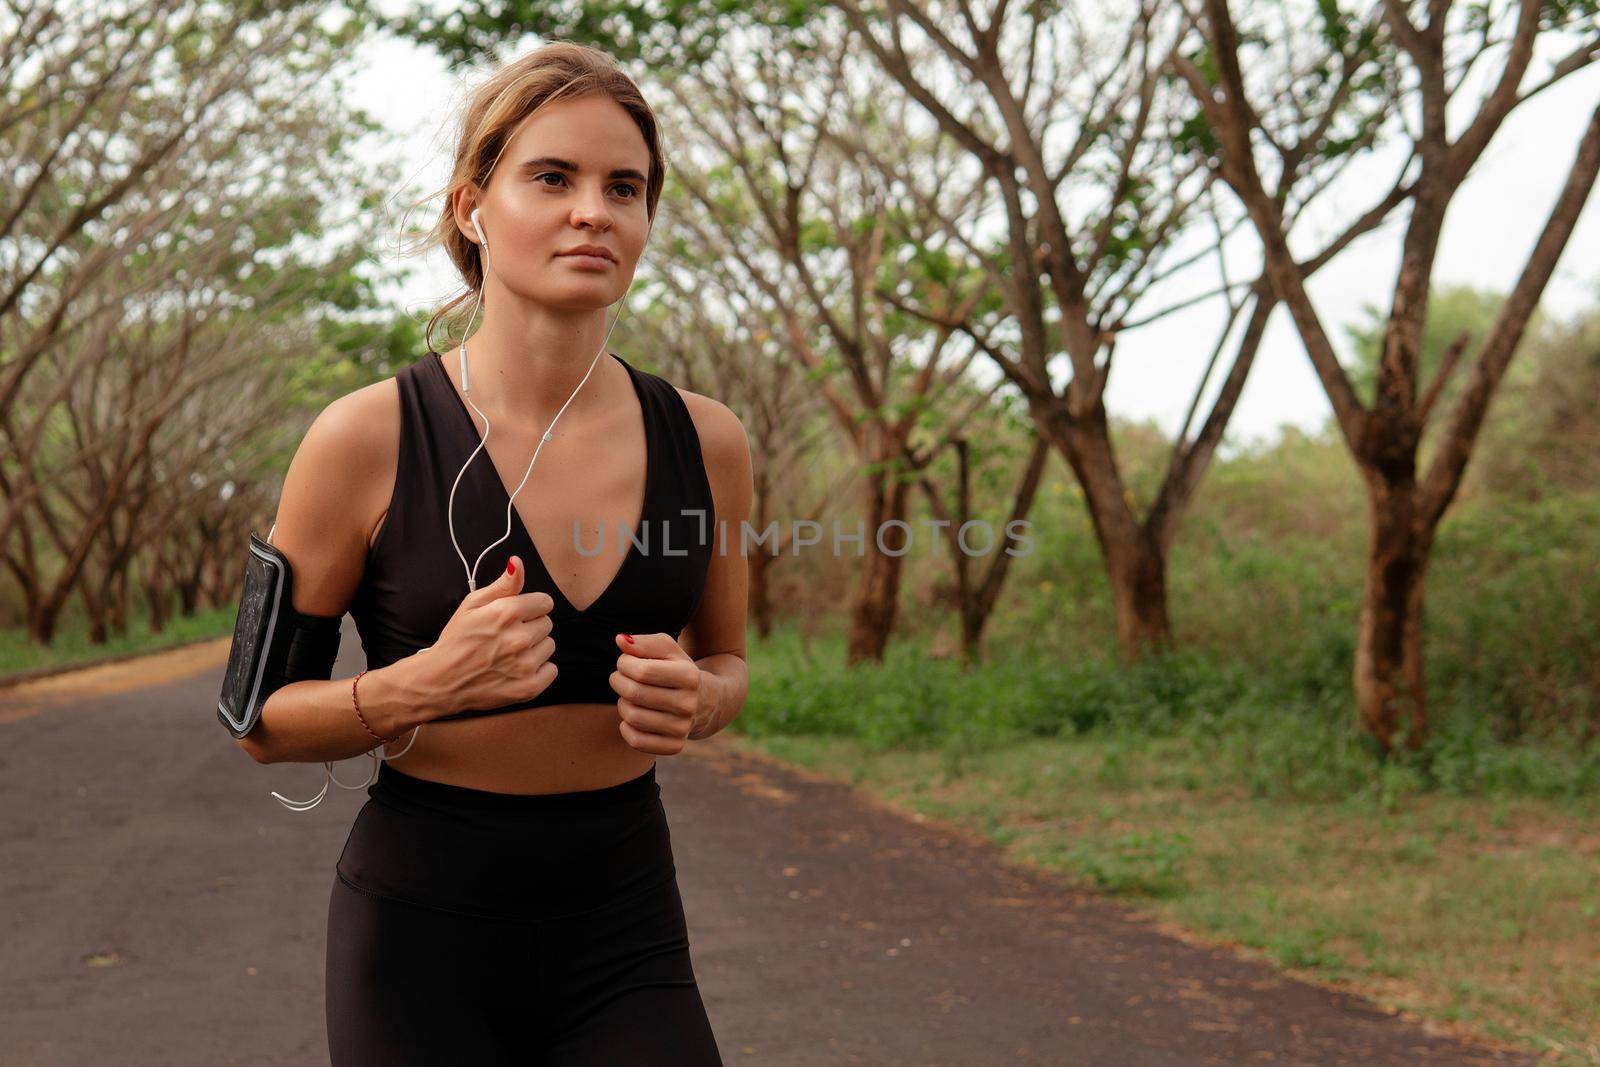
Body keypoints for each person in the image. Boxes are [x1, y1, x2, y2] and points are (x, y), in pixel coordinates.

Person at [233, 41, 751, 1065]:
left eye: (624, 186)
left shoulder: (709, 440)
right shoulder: (365, 438)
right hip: (420, 931)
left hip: (626, 920)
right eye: (552, 177)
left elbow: (727, 659)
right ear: (473, 205)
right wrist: (422, 683)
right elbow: (259, 720)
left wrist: (700, 698)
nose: (593, 210)